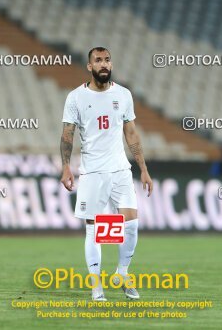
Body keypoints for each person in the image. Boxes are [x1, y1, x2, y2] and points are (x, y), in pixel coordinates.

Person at [59, 47, 153, 301]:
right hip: (92, 172)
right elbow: (68, 134)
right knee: (95, 230)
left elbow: (131, 133)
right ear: (89, 66)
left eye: (107, 60)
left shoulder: (123, 95)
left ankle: (122, 274)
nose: (104, 64)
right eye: (98, 60)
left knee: (131, 225)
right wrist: (66, 166)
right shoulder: (76, 97)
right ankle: (96, 286)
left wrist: (143, 169)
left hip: (121, 169)